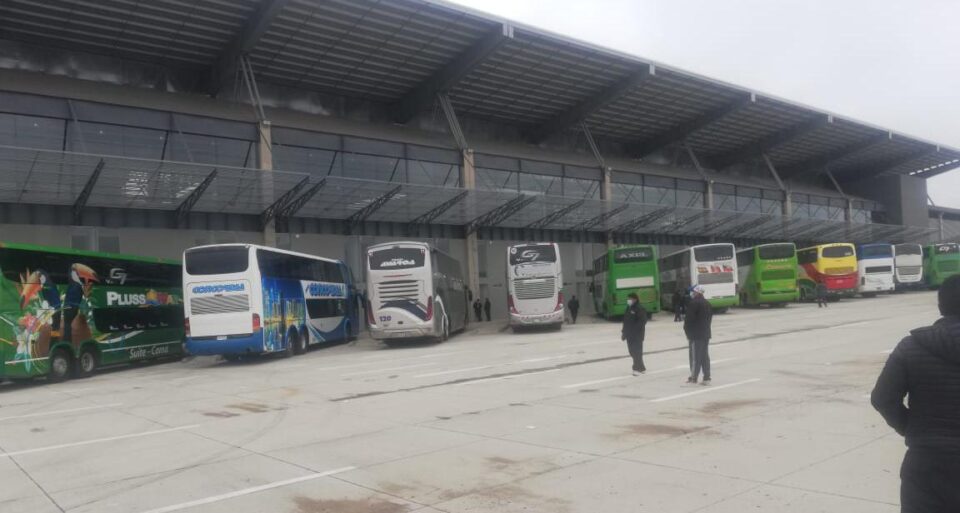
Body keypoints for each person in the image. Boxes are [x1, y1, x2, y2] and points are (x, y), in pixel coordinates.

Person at [871, 274, 960, 513]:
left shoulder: (911, 346)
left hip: (926, 463)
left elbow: (882, 398)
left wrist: (912, 428)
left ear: (941, 306)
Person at [684, 285, 713, 385]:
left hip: (695, 335)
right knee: (704, 356)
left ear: (697, 292)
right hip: (706, 333)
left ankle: (693, 377)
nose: (692, 293)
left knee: (695, 357)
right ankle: (707, 377)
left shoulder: (694, 303)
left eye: (693, 291)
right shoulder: (707, 303)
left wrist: (687, 332)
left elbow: (688, 320)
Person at [621, 292, 647, 375]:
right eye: (628, 299)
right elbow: (625, 321)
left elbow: (643, 321)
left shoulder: (640, 308)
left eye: (630, 299)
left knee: (637, 352)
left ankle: (636, 368)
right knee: (632, 351)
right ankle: (641, 367)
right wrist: (623, 333)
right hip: (629, 335)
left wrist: (634, 330)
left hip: (637, 335)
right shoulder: (628, 308)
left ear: (635, 299)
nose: (628, 300)